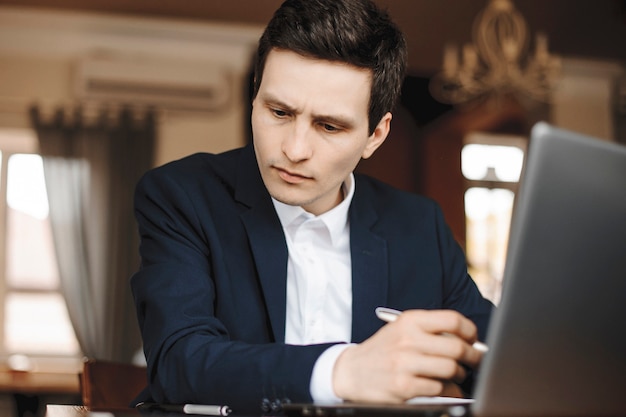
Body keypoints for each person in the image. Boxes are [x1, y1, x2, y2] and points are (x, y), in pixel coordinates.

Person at [130, 0, 494, 414]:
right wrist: (343, 371)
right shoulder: (181, 196)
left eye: (329, 126)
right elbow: (180, 361)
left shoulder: (419, 226)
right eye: (279, 112)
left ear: (376, 135)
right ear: (255, 97)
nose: (294, 149)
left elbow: (497, 356)